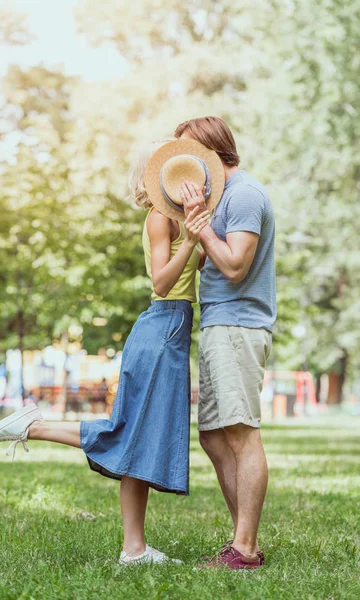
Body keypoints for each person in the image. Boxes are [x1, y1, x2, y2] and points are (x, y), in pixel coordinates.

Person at [0, 138, 223, 566]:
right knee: (129, 434)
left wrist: (200, 229)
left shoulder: (175, 221)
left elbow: (192, 269)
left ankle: (134, 549)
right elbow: (163, 283)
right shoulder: (158, 221)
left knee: (139, 440)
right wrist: (191, 238)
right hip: (163, 326)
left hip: (171, 329)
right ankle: (34, 426)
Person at [175, 116, 276, 570]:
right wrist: (193, 224)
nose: (182, 167)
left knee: (240, 433)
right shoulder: (220, 199)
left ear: (211, 153)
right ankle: (243, 542)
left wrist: (202, 228)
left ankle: (245, 549)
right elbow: (206, 264)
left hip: (239, 326)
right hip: (218, 324)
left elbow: (234, 266)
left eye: (188, 155)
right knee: (214, 438)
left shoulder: (245, 194)